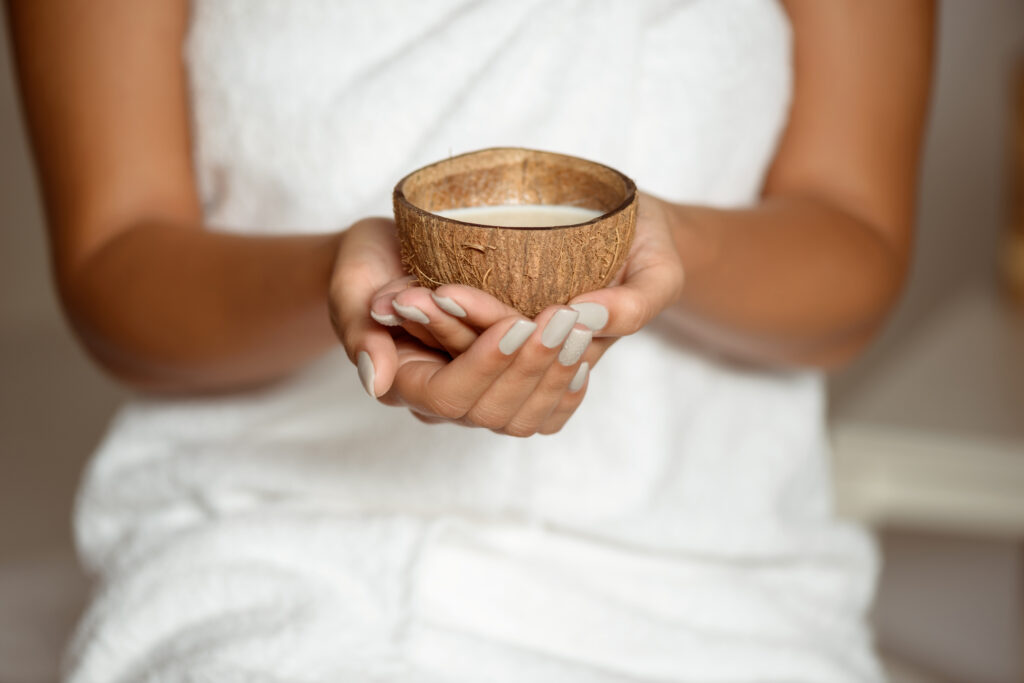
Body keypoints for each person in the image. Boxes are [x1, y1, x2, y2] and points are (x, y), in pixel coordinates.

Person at [8, 0, 933, 680]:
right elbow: (113, 262)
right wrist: (345, 277)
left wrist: (666, 241)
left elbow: (853, 248)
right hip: (277, 531)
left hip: (710, 561)